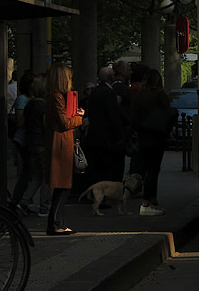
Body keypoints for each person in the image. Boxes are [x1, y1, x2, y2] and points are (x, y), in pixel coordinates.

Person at [43, 63, 84, 235]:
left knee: (63, 186)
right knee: (62, 186)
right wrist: (79, 117)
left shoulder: (54, 97)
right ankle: (55, 224)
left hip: (59, 143)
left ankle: (57, 223)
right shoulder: (57, 97)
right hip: (60, 146)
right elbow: (65, 123)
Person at [131, 68, 174, 216]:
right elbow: (168, 114)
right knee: (154, 170)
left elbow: (134, 119)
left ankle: (151, 200)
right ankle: (147, 202)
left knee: (147, 169)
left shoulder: (139, 97)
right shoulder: (160, 95)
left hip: (143, 137)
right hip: (157, 137)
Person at [83, 66, 127, 185]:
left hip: (94, 136)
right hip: (107, 138)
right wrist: (119, 136)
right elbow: (113, 116)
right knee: (108, 168)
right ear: (111, 77)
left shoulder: (94, 92)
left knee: (97, 168)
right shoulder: (109, 93)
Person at [12, 75, 47, 216]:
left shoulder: (29, 105)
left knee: (37, 176)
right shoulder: (44, 106)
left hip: (31, 142)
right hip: (42, 143)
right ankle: (44, 206)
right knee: (46, 176)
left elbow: (21, 122)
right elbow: (45, 126)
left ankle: (24, 201)